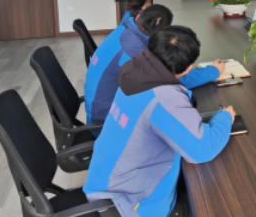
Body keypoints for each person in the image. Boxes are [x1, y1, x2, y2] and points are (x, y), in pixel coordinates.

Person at [84, 26, 235, 217]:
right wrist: (225, 117)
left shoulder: (134, 70)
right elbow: (203, 150)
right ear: (188, 68)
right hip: (130, 205)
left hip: (105, 183)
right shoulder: (164, 98)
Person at [85, 5, 224, 124]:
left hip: (99, 108)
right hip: (106, 121)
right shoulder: (135, 53)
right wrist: (213, 71)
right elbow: (170, 81)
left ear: (138, 17)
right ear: (162, 35)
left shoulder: (123, 30)